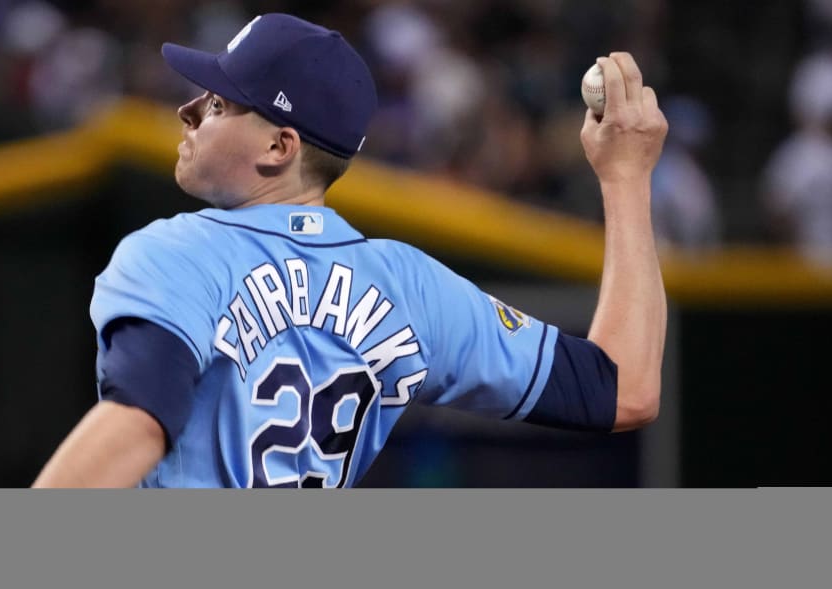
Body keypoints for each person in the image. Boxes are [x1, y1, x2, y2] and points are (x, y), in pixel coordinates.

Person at [32, 13, 667, 488]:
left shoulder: (178, 252)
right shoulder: (409, 287)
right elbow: (624, 389)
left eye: (219, 103)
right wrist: (626, 177)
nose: (188, 108)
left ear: (279, 148)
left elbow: (139, 420)